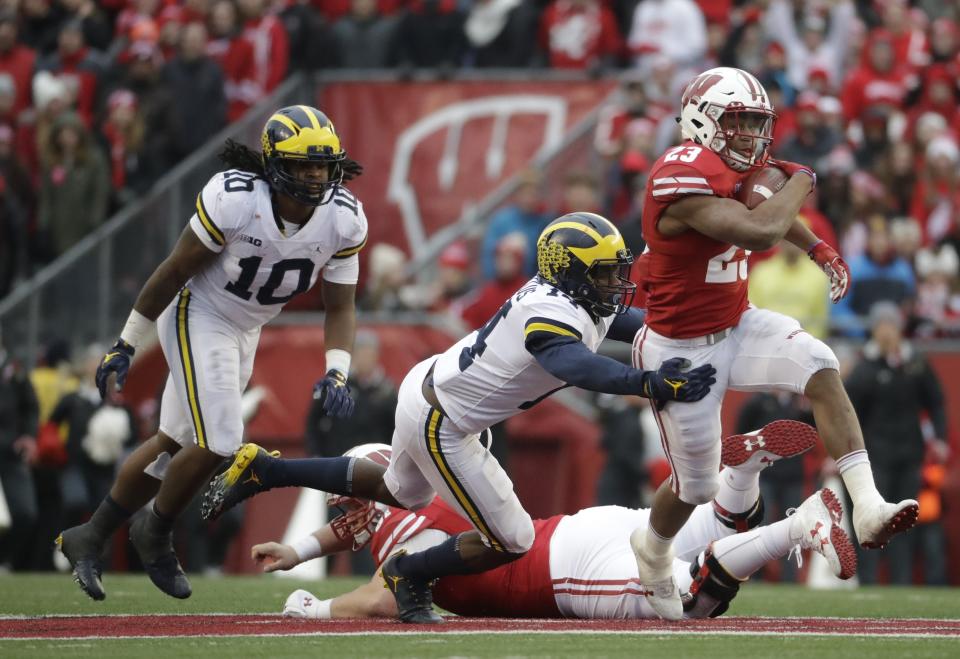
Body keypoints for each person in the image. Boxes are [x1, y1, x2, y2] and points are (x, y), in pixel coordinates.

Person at [203, 212, 716, 624]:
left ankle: (265, 470)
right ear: (573, 272)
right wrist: (648, 382)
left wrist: (705, 329)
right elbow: (574, 365)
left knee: (402, 493)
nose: (615, 282)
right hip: (445, 421)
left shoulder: (574, 297)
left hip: (427, 388)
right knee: (512, 538)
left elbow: (643, 324)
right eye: (604, 272)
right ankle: (410, 574)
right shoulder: (552, 313)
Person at [630, 66, 919, 620]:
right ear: (702, 120)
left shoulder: (732, 167)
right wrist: (804, 182)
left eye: (757, 123)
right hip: (679, 349)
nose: (751, 136)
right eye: (739, 122)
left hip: (736, 322)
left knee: (820, 362)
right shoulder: (679, 173)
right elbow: (760, 228)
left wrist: (818, 248)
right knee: (693, 486)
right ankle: (654, 547)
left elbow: (767, 206)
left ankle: (867, 506)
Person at [56, 105, 368, 602]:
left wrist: (338, 371)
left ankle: (88, 536)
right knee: (221, 438)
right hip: (197, 311)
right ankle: (153, 530)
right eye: (303, 164)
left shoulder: (344, 219)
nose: (315, 175)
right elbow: (174, 269)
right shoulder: (236, 199)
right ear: (273, 164)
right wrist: (126, 343)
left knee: (174, 443)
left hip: (247, 327)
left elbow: (341, 305)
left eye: (322, 164)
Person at [252, 421, 855, 621]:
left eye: (354, 500)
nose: (349, 516)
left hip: (568, 569)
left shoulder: (407, 535)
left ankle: (797, 527)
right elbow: (353, 530)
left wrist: (314, 608)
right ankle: (745, 472)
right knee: (710, 531)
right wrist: (298, 551)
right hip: (586, 529)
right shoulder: (421, 505)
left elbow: (381, 598)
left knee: (688, 602)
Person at [844, 302, 948, 584]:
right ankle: (867, 580)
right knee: (872, 518)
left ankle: (900, 580)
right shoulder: (864, 367)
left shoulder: (914, 362)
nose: (887, 332)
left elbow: (936, 401)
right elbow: (848, 411)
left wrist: (939, 437)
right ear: (874, 330)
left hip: (909, 453)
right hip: (876, 457)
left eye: (892, 325)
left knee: (903, 520)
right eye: (882, 326)